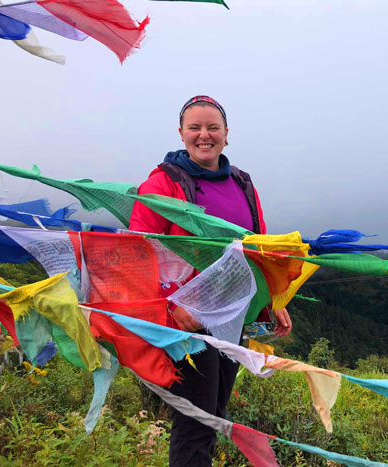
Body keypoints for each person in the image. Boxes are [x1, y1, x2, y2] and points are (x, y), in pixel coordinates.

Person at [129, 95, 292, 466]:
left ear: (226, 135)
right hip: (185, 323)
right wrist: (171, 308)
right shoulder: (162, 184)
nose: (205, 135)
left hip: (231, 318)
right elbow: (138, 250)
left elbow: (258, 250)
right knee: (196, 421)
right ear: (182, 134)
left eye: (212, 127)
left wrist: (275, 301)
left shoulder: (242, 183)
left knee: (215, 413)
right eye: (195, 128)